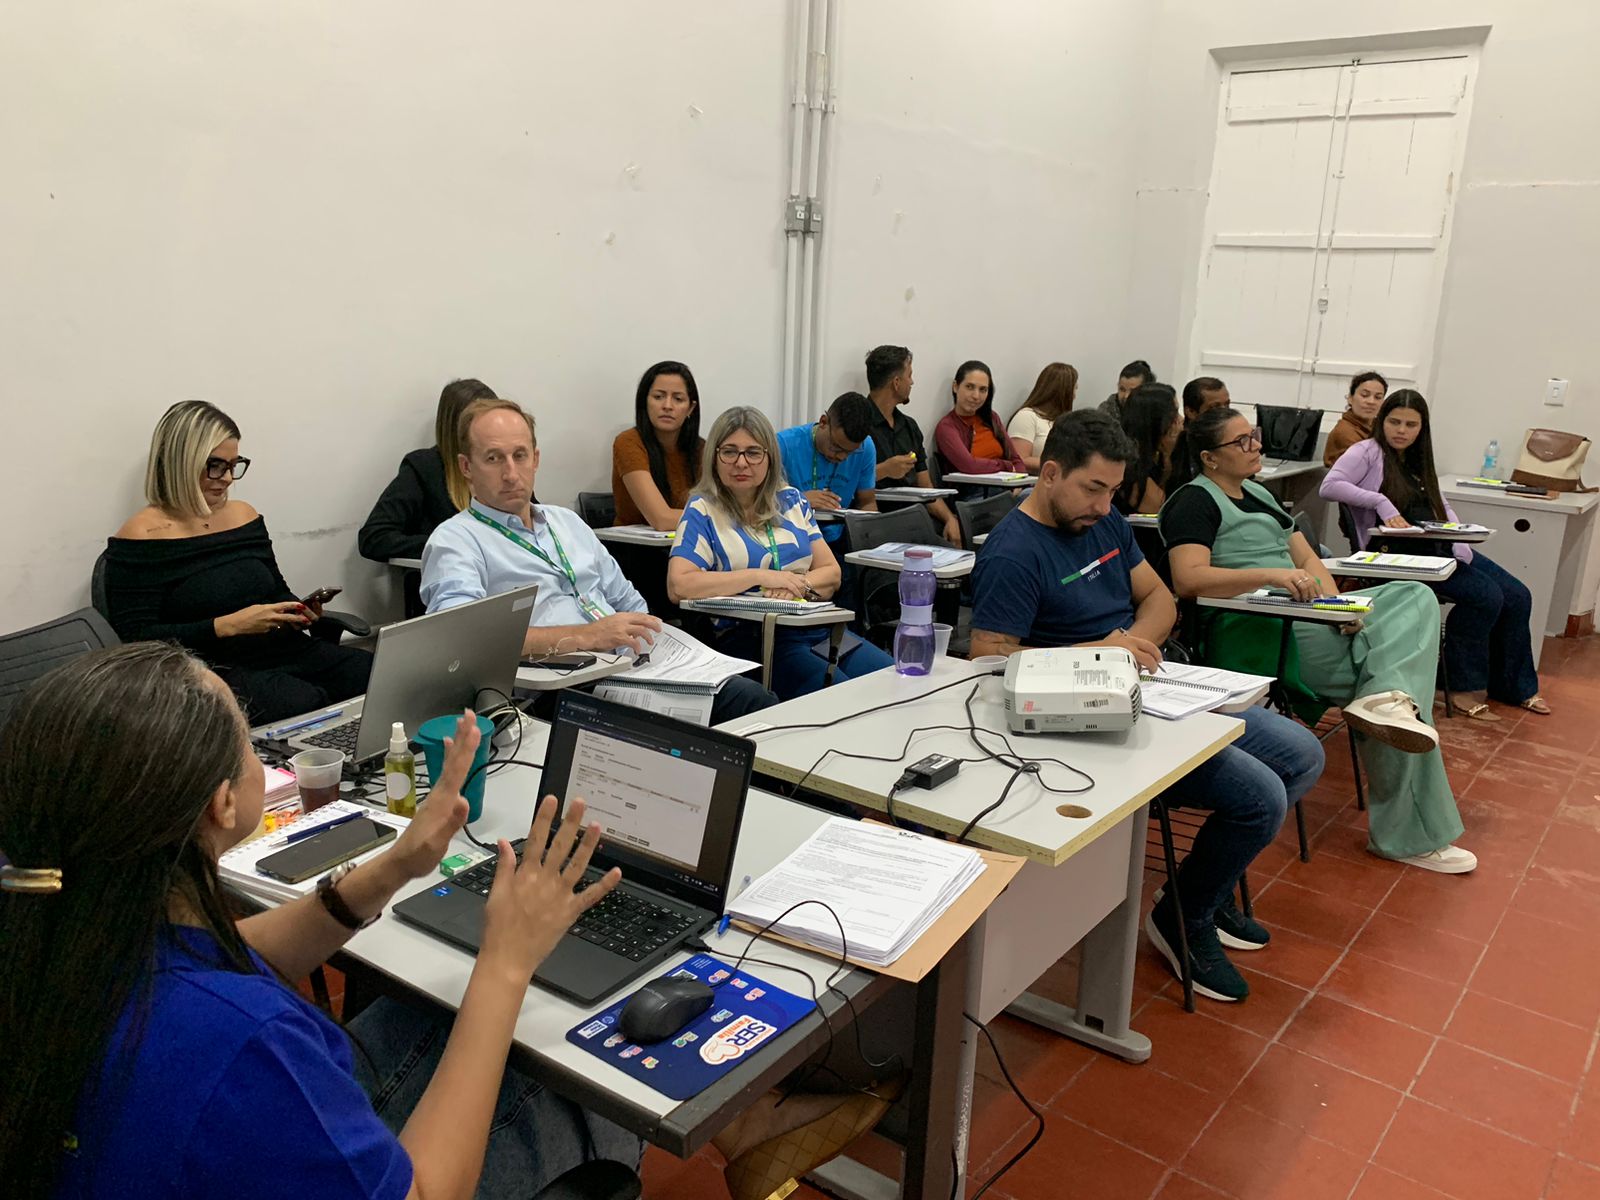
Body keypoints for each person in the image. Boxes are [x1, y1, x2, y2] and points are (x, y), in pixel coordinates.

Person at [0, 642, 642, 1197]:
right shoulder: (243, 1040)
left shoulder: (55, 914)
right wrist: (506, 958)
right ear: (223, 804)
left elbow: (221, 954)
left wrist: (394, 866)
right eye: (248, 739)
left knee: (423, 1016)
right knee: (580, 1086)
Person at [969, 410, 1325, 1003]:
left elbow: (1160, 598)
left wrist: (1132, 648)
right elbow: (988, 658)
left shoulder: (1103, 523)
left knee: (1303, 754)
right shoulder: (1014, 552)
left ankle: (1194, 894)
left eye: (1113, 490)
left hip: (1143, 685)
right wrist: (1101, 655)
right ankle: (1186, 917)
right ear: (1050, 473)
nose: (1105, 505)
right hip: (1076, 715)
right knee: (1260, 797)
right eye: (1093, 488)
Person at [1162, 406, 1476, 875]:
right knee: (1399, 686)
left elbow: (1310, 561)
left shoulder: (1259, 494)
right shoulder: (1193, 501)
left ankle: (1386, 703)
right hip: (1256, 627)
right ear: (1210, 457)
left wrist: (1338, 609)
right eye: (1242, 441)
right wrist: (1272, 575)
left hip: (1304, 614)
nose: (1256, 446)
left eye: (1255, 436)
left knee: (1413, 596)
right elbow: (1188, 580)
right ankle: (1405, 831)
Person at [421, 397, 776, 722]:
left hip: (630, 666)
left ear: (536, 459)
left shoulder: (567, 523)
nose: (511, 473)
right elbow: (464, 645)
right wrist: (586, 636)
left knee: (753, 694)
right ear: (466, 467)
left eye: (520, 455)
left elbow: (628, 601)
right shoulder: (456, 540)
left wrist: (660, 650)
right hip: (558, 689)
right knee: (747, 705)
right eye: (494, 458)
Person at [105, 401, 372, 726]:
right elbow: (138, 640)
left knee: (373, 674)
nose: (228, 478)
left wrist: (297, 612)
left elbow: (276, 589)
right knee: (302, 702)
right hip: (211, 669)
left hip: (283, 649)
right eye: (215, 466)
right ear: (180, 462)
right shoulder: (141, 536)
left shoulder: (243, 515)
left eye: (234, 465)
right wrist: (225, 626)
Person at [1320, 389, 1548, 719]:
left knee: (1517, 595)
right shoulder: (1365, 451)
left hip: (1434, 545)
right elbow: (1330, 486)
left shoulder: (1418, 458)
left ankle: (1514, 686)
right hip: (1393, 554)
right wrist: (1380, 502)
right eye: (1394, 422)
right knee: (1485, 597)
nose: (1401, 431)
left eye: (1410, 425)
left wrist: (1458, 534)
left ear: (1422, 428)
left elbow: (1441, 503)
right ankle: (1457, 686)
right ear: (1382, 422)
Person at [669, 407, 894, 700]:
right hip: (754, 637)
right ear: (714, 457)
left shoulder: (792, 500)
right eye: (729, 452)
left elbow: (831, 573)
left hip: (815, 628)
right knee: (844, 696)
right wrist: (762, 577)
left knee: (893, 680)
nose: (741, 463)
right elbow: (679, 585)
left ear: (770, 457)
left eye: (753, 453)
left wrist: (794, 585)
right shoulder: (703, 508)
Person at [359, 378, 497, 563]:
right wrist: (447, 543)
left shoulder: (506, 465)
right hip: (449, 573)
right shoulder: (424, 468)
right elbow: (374, 537)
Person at [863, 345, 963, 544]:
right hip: (876, 520)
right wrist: (884, 470)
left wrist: (950, 518)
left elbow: (925, 486)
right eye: (909, 375)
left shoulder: (909, 426)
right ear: (896, 382)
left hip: (915, 517)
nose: (912, 382)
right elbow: (844, 481)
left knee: (957, 537)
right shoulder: (858, 423)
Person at [611, 361, 704, 530]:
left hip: (689, 540)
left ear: (691, 408)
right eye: (658, 397)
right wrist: (721, 520)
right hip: (633, 544)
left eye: (678, 399)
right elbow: (661, 519)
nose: (667, 406)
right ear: (645, 402)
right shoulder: (629, 442)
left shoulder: (701, 449)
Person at [775, 391, 879, 544]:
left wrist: (870, 545)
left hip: (839, 538)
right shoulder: (783, 445)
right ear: (823, 422)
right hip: (793, 540)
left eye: (850, 452)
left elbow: (867, 503)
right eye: (836, 447)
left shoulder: (866, 447)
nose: (842, 457)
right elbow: (758, 503)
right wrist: (799, 500)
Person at [933, 360, 1028, 476]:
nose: (976, 396)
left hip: (1006, 484)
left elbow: (1017, 462)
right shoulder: (947, 427)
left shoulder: (992, 418)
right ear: (955, 387)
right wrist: (1005, 466)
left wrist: (1018, 480)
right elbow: (969, 465)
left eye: (983, 390)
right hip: (973, 486)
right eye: (969, 387)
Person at [1114, 382, 1183, 514]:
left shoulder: (1156, 454)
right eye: (1174, 414)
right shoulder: (1129, 464)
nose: (1180, 420)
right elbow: (1160, 510)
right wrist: (1169, 454)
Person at [1007, 362, 1079, 471]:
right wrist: (1061, 465)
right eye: (1074, 389)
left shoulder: (1064, 422)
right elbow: (1020, 459)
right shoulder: (1027, 417)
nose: (1074, 396)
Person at [1170, 377, 1231, 489]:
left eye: (1227, 405)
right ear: (1191, 412)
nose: (1224, 412)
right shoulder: (1177, 446)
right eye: (1215, 408)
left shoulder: (1233, 439)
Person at [1323, 370, 1387, 467]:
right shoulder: (1344, 432)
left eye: (1378, 397)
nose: (1371, 402)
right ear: (1350, 398)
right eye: (1364, 395)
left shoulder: (1378, 428)